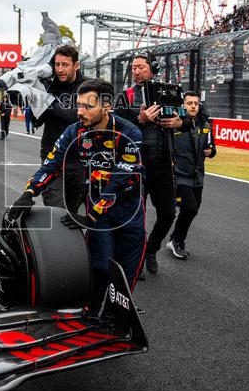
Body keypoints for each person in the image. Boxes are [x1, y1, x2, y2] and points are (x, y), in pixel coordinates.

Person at [8, 78, 146, 297]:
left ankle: (119, 311)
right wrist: (29, 192)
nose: (80, 112)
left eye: (88, 107)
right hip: (98, 211)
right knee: (100, 266)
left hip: (128, 210)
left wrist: (90, 216)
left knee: (126, 271)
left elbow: (122, 180)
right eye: (79, 105)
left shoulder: (130, 133)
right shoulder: (74, 132)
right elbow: (52, 163)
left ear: (107, 106)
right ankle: (96, 311)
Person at [119, 51, 188, 277]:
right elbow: (114, 122)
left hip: (163, 164)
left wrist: (179, 122)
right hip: (134, 165)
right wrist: (139, 119)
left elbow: (188, 119)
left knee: (168, 213)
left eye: (141, 67)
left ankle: (151, 249)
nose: (137, 71)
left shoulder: (168, 91)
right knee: (135, 215)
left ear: (153, 69)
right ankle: (135, 257)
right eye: (134, 67)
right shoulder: (126, 95)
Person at [35, 44, 86, 213]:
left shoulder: (87, 87)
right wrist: (34, 97)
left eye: (65, 65)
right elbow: (37, 121)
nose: (60, 69)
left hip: (79, 157)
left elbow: (75, 117)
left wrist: (48, 100)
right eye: (57, 65)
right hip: (51, 154)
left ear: (76, 65)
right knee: (56, 211)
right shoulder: (49, 86)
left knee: (70, 214)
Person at [167, 92, 216, 259]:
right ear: (182, 106)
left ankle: (174, 237)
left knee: (192, 211)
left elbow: (212, 147)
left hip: (198, 175)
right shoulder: (173, 125)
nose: (193, 106)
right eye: (189, 103)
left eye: (196, 103)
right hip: (179, 175)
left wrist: (211, 152)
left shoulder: (205, 125)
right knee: (189, 208)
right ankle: (177, 242)